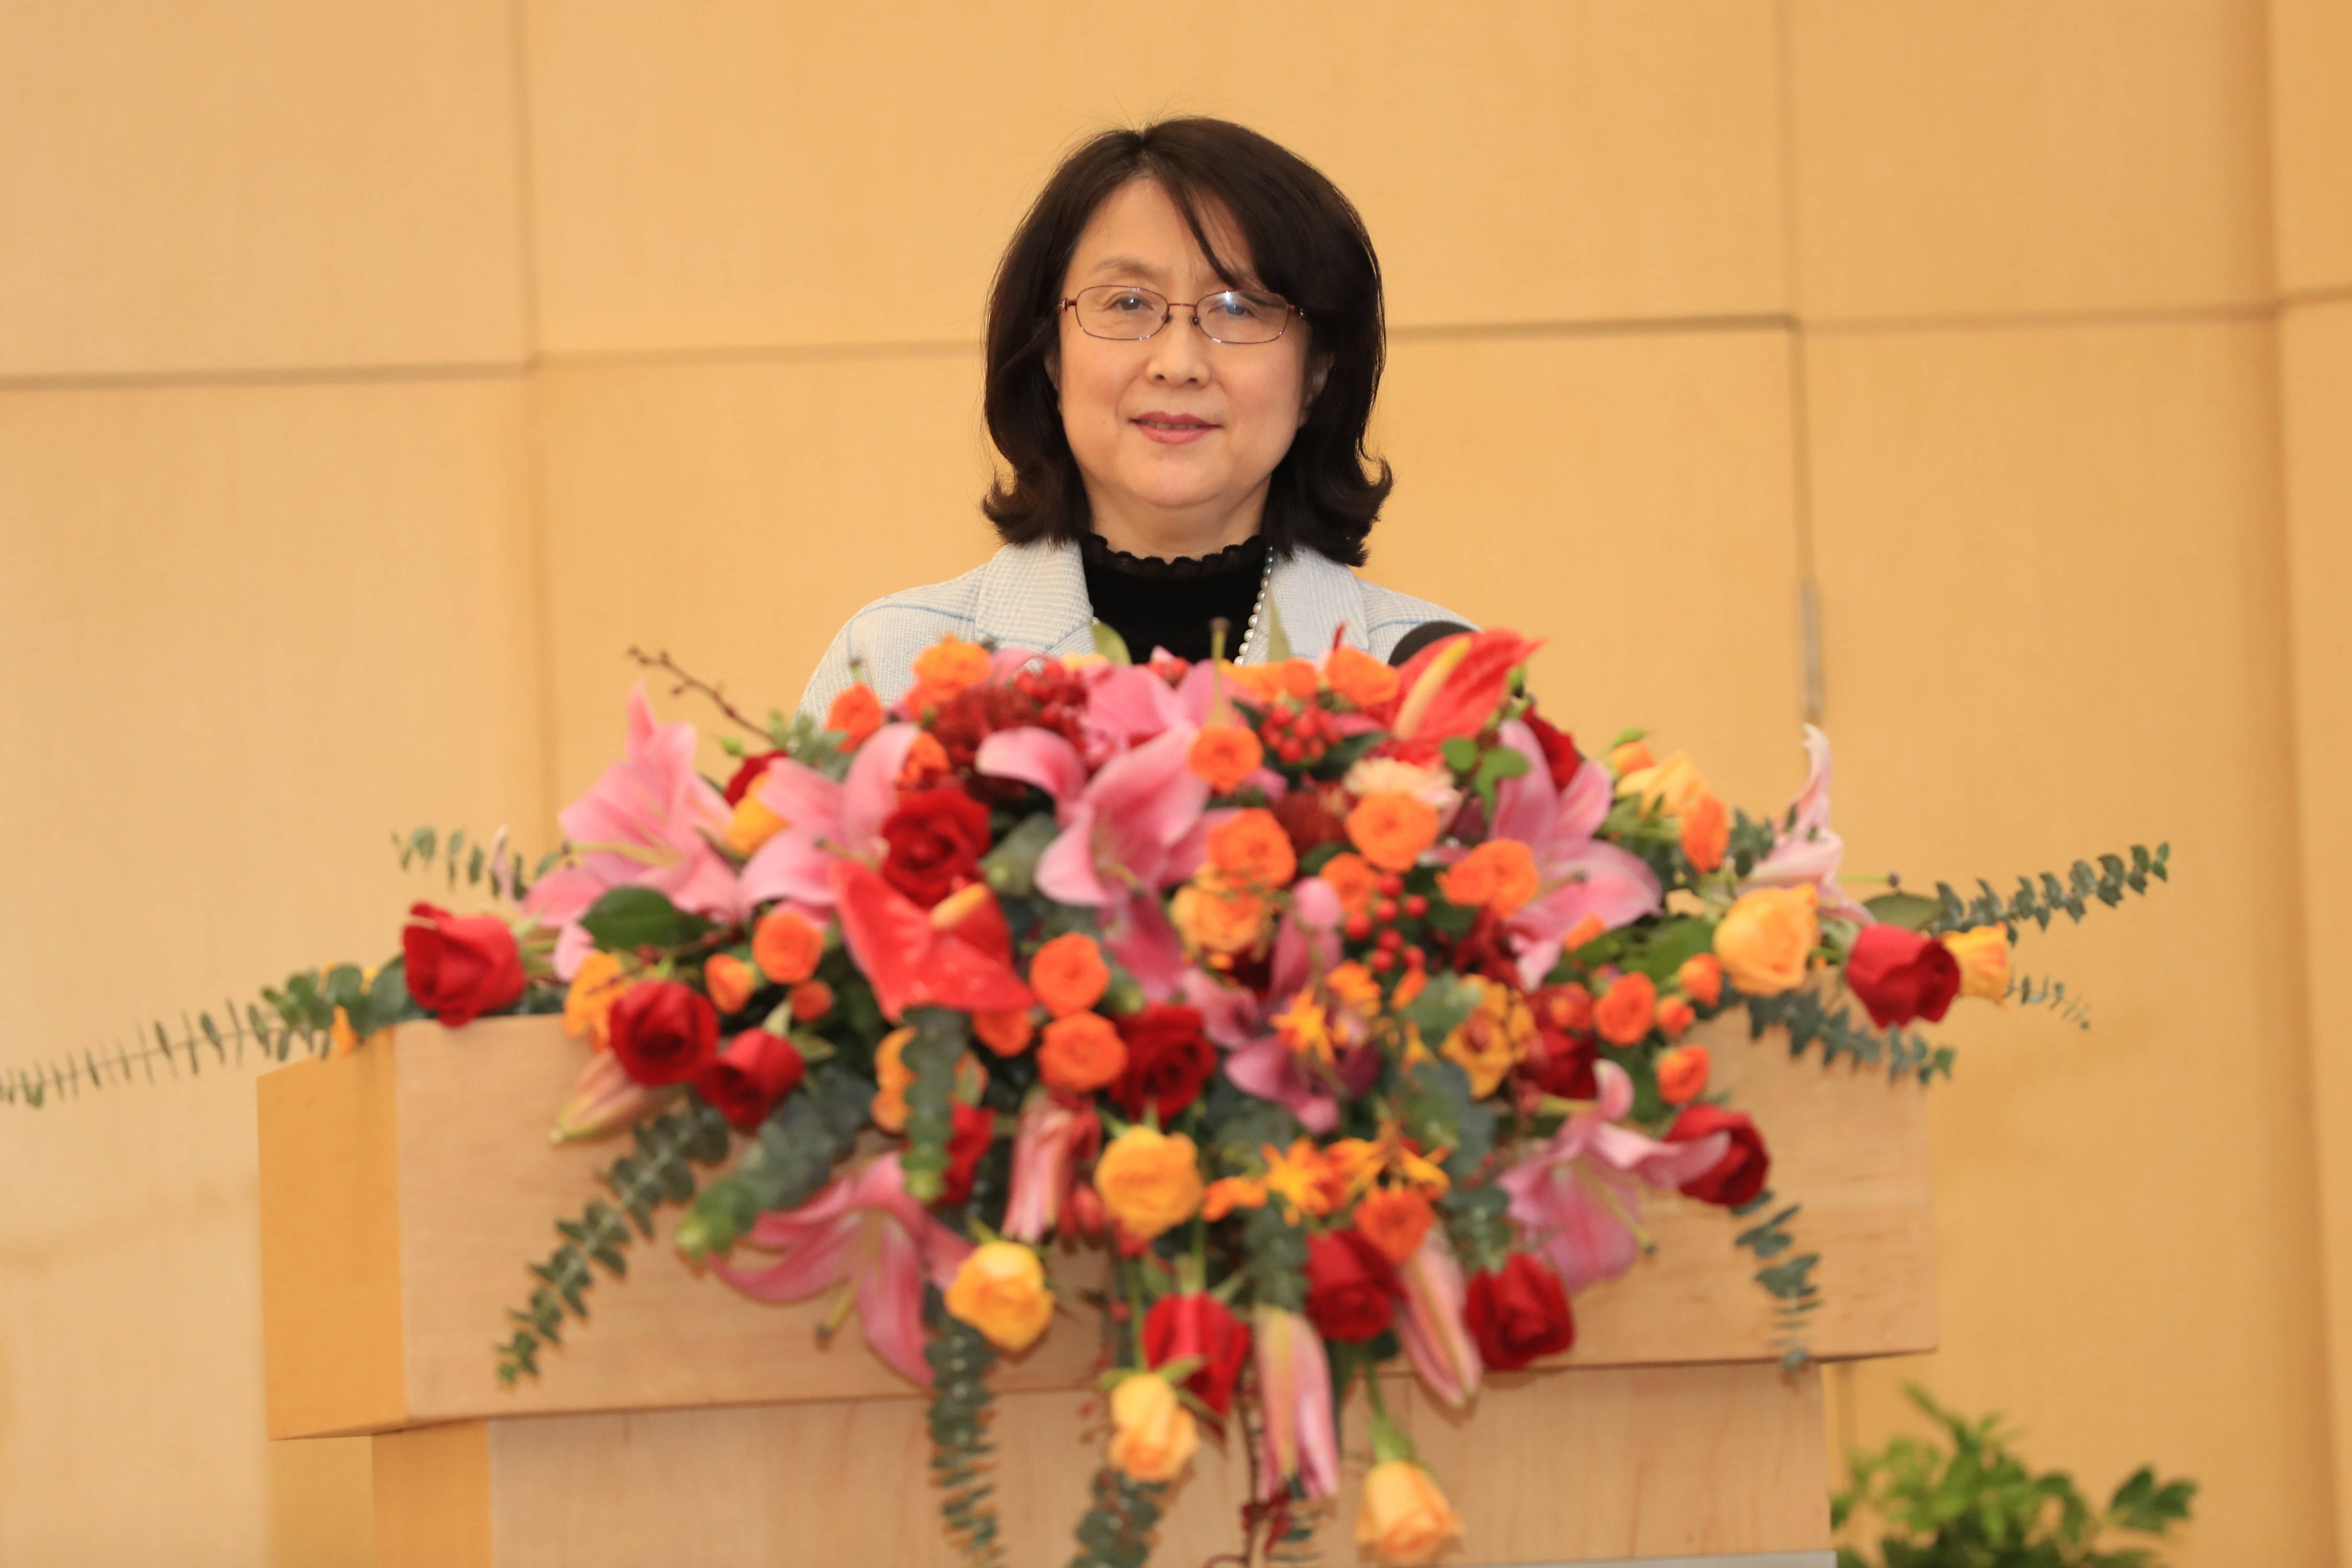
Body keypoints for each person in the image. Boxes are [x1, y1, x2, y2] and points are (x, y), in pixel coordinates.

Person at [798, 117, 1469, 719]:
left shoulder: (1430, 683)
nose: (1178, 363)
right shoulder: (892, 669)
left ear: (1317, 372)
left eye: (1238, 307)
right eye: (1127, 302)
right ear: (1051, 354)